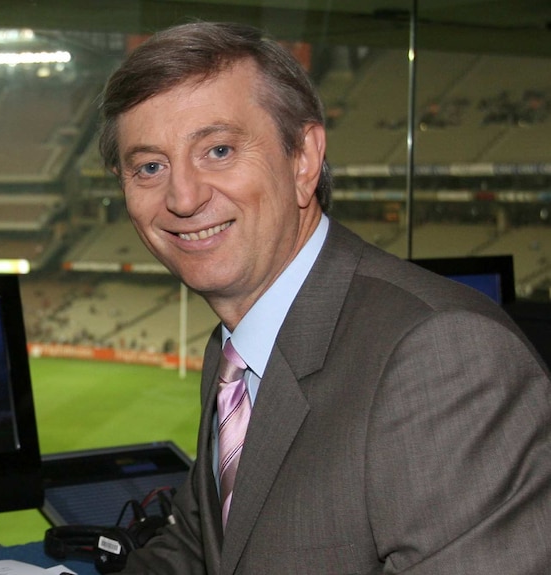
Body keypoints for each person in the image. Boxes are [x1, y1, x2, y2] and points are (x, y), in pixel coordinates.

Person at [98, 21, 551, 574]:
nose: (184, 197)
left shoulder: (444, 358)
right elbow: (200, 554)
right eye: (149, 166)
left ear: (303, 159)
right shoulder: (235, 354)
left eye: (218, 150)